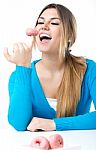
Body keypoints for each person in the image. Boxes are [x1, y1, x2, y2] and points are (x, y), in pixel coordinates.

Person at [4, 3, 96, 131]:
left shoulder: (89, 69)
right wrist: (22, 67)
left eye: (54, 23)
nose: (44, 27)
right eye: (40, 22)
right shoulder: (19, 76)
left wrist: (53, 124)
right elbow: (19, 124)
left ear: (69, 35)